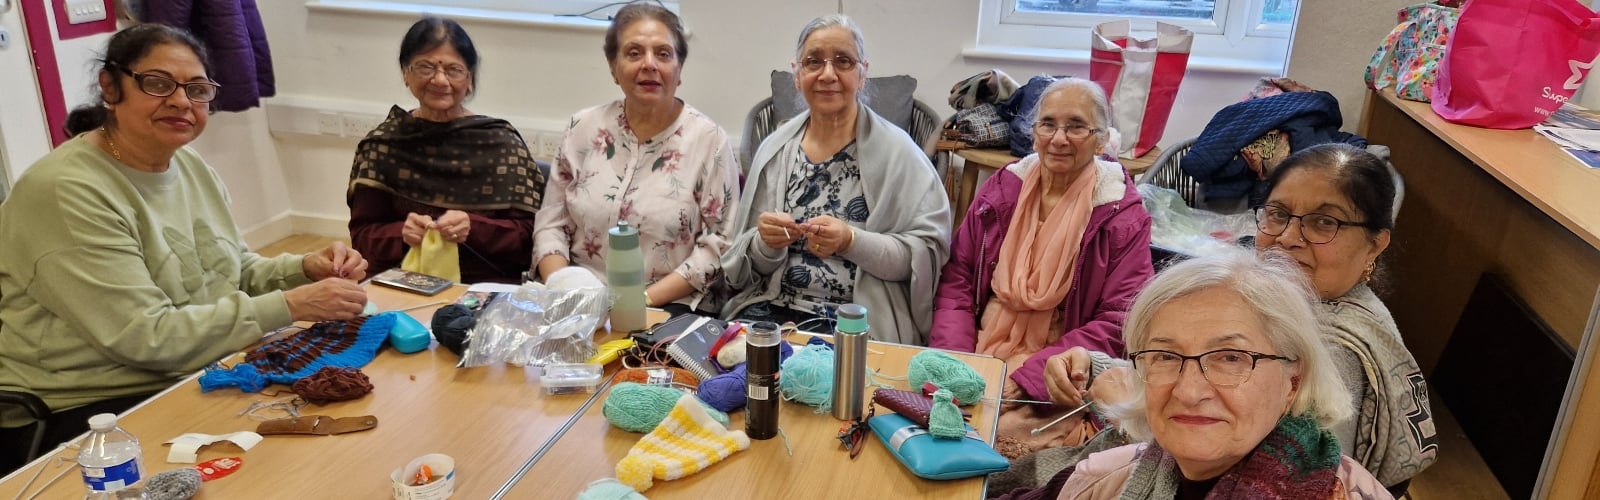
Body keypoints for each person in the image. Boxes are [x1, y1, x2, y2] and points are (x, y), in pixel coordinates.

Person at [0, 24, 367, 473]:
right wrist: (291, 305)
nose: (180, 102)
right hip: (89, 408)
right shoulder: (64, 191)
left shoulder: (188, 165)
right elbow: (145, 337)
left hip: (184, 371)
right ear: (111, 87)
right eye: (157, 84)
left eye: (196, 89)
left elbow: (231, 270)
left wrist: (304, 268)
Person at [1039, 144, 1435, 495]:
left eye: (1323, 222)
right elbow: (1202, 367)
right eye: (1278, 214)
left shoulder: (1335, 352)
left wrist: (1125, 406)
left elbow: (1278, 470)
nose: (1288, 238)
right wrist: (1098, 367)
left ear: (1375, 243)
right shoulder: (1287, 303)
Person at [1000, 249, 1391, 499]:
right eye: (1166, 356)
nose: (1188, 391)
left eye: (1231, 358)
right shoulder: (1111, 475)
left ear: (1293, 382)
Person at [929, 77, 1152, 456]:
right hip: (979, 349)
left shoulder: (1121, 215)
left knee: (989, 446)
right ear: (1033, 134)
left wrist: (1028, 378)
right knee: (925, 425)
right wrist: (958, 361)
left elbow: (1120, 317)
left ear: (1101, 139)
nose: (1059, 138)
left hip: (1059, 369)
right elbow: (958, 279)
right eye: (1048, 124)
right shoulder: (1003, 189)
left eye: (1076, 126)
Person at [721, 15, 951, 344]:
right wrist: (765, 244)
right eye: (814, 62)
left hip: (858, 323)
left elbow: (924, 255)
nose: (828, 75)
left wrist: (852, 242)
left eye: (843, 61)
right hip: (773, 311)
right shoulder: (775, 150)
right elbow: (748, 267)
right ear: (797, 75)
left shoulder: (900, 153)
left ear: (862, 73)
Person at [531, 3, 740, 316]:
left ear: (679, 70)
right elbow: (551, 224)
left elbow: (720, 246)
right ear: (613, 66)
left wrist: (638, 302)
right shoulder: (582, 129)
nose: (649, 64)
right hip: (576, 304)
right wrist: (563, 286)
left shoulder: (709, 141)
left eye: (663, 54)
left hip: (668, 308)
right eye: (633, 53)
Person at [347, 17, 545, 284]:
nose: (440, 80)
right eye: (425, 67)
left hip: (483, 285)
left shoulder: (502, 145)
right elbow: (363, 236)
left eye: (453, 70)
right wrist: (401, 234)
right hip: (400, 281)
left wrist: (474, 227)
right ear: (406, 74)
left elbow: (529, 238)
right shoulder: (384, 145)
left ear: (470, 79)